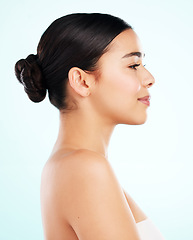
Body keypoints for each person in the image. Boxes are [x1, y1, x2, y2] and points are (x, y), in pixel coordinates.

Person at [15, 13, 165, 240]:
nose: (149, 78)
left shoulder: (68, 165)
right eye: (134, 65)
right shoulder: (85, 168)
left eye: (143, 64)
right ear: (82, 81)